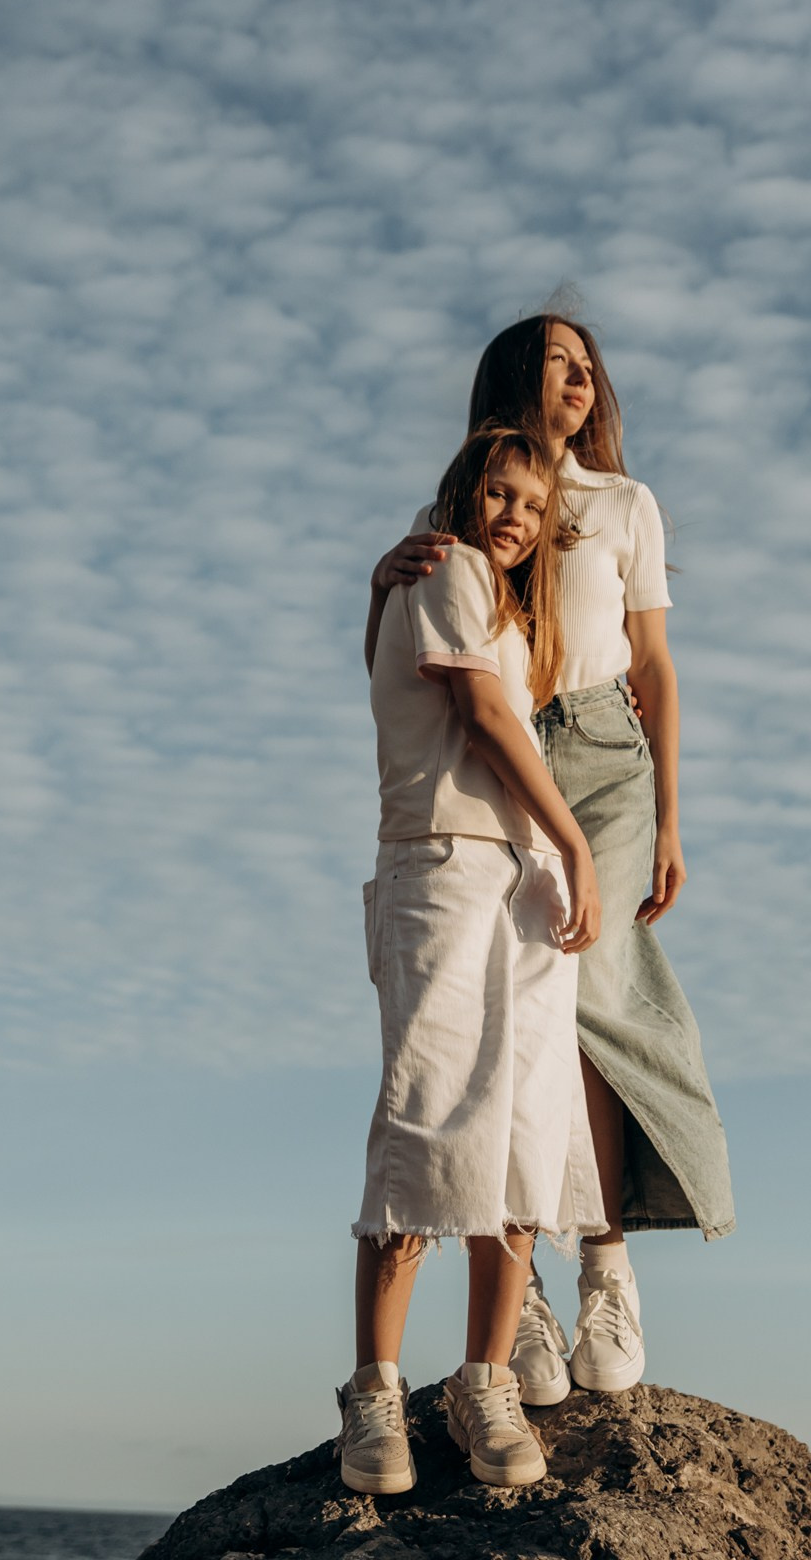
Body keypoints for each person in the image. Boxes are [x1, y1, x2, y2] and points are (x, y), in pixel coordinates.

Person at [367, 307, 736, 1405]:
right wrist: (378, 580)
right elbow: (414, 653)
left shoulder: (627, 503)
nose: (579, 378)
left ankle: (605, 1268)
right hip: (501, 756)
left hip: (606, 757)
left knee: (595, 994)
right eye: (555, 362)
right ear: (512, 378)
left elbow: (654, 665)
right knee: (516, 1015)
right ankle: (514, 1296)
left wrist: (671, 819)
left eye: (589, 366)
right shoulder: (467, 508)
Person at [336, 425, 607, 1497]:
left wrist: (556, 852)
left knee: (528, 1129)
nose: (515, 518)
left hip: (521, 875)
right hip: (444, 861)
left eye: (534, 507)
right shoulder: (443, 565)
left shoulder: (496, 605)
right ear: (463, 493)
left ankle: (485, 1379)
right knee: (427, 1118)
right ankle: (375, 1390)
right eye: (500, 494)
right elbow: (481, 713)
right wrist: (578, 841)